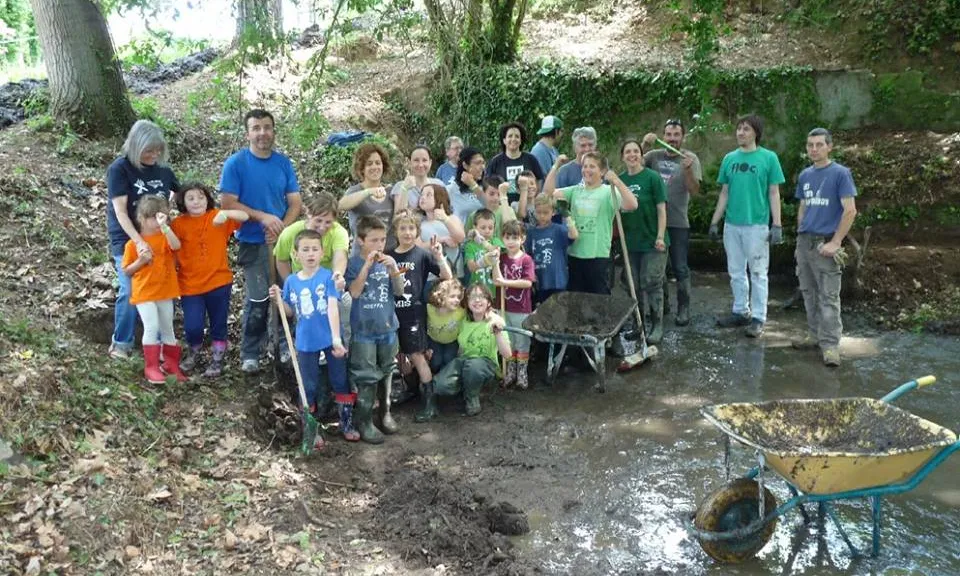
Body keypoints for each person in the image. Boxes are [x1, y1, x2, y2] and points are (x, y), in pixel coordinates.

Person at [219, 109, 302, 373]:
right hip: (253, 242)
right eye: (256, 128)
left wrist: (281, 228)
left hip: (282, 243)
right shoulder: (236, 164)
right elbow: (227, 203)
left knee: (285, 296)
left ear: (273, 131)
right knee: (258, 299)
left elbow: (295, 203)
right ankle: (250, 352)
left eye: (267, 127)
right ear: (248, 133)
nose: (262, 133)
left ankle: (283, 347)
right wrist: (263, 218)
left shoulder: (282, 163)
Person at [269, 229, 352, 448]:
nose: (310, 254)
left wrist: (336, 339)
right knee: (308, 385)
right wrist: (278, 300)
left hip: (330, 337)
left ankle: (347, 423)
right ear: (296, 254)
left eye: (315, 249)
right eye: (305, 249)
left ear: (322, 252)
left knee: (340, 380)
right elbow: (289, 313)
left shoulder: (327, 277)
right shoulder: (292, 282)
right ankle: (311, 430)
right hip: (305, 341)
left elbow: (333, 307)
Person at [106, 120, 180, 359]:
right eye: (149, 150)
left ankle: (158, 346)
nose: (154, 155)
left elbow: (179, 194)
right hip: (127, 238)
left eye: (158, 150)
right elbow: (120, 211)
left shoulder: (164, 172)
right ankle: (122, 343)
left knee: (160, 292)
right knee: (130, 290)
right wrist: (138, 241)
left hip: (159, 241)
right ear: (136, 147)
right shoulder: (120, 169)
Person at [708, 114, 785, 338]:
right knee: (735, 272)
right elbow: (725, 193)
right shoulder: (729, 159)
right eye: (739, 129)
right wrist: (715, 221)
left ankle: (759, 317)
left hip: (757, 226)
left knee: (759, 273)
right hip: (732, 225)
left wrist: (777, 224)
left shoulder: (768, 158)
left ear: (756, 133)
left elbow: (773, 192)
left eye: (746, 129)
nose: (741, 133)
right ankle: (740, 311)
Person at [791, 128, 858, 367]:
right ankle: (814, 335)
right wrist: (800, 232)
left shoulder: (841, 174)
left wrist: (836, 241)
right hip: (805, 241)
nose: (814, 149)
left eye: (819, 144)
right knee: (808, 292)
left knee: (828, 296)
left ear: (830, 147)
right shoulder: (805, 175)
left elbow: (850, 210)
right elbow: (803, 206)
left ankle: (830, 346)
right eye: (810, 145)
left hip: (826, 242)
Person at [170, 183, 248, 377]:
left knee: (218, 322)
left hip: (219, 281)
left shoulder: (216, 216)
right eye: (191, 198)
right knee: (193, 325)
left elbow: (245, 217)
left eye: (201, 197)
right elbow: (171, 248)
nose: (196, 202)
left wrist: (227, 214)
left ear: (207, 199)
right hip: (189, 285)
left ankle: (217, 358)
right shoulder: (178, 224)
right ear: (183, 202)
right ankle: (193, 352)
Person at [345, 216, 406, 444]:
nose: (379, 245)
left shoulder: (388, 262)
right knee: (366, 376)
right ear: (360, 241)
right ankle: (365, 420)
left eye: (382, 240)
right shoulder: (353, 264)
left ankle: (385, 413)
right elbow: (355, 292)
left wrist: (394, 270)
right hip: (363, 331)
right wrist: (367, 266)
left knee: (387, 370)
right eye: (373, 240)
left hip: (388, 327)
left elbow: (399, 292)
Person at [273, 192, 351, 365]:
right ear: (308, 214)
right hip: (302, 286)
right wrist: (291, 283)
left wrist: (337, 275)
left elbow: (340, 256)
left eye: (328, 222)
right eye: (318, 221)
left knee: (343, 304)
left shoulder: (339, 233)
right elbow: (281, 259)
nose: (323, 226)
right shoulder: (291, 233)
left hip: (327, 286)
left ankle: (342, 349)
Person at [545, 152, 638, 294]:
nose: (586, 170)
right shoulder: (575, 191)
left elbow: (632, 205)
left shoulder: (608, 191)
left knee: (599, 302)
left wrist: (617, 181)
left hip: (598, 257)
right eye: (585, 166)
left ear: (602, 171)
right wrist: (555, 167)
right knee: (575, 301)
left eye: (592, 166)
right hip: (575, 255)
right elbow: (548, 193)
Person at [415, 283, 511, 421]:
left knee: (473, 367)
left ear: (489, 301)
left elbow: (507, 354)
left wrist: (498, 333)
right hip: (464, 361)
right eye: (472, 297)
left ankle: (472, 398)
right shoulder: (463, 320)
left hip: (484, 363)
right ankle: (465, 391)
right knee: (439, 385)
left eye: (481, 297)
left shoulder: (496, 321)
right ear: (466, 302)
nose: (477, 300)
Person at [389, 213, 453, 413]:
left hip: (413, 313)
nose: (407, 233)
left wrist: (439, 256)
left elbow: (447, 276)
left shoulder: (422, 254)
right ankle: (405, 391)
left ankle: (429, 403)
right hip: (390, 314)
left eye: (411, 229)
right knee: (396, 357)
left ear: (417, 231)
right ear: (395, 232)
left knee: (417, 356)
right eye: (402, 228)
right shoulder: (388, 255)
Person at [642, 119, 702, 326]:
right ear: (663, 136)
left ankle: (683, 308)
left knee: (680, 267)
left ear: (682, 137)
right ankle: (663, 305)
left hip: (678, 222)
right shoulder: (652, 156)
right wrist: (645, 146)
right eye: (669, 135)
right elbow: (634, 169)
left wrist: (686, 170)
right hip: (655, 222)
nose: (672, 139)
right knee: (658, 267)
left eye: (676, 135)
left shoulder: (690, 158)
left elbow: (695, 191)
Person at [121, 196, 185, 384]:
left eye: (162, 217)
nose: (157, 222)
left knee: (168, 327)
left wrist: (165, 228)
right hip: (144, 293)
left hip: (165, 290)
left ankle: (171, 365)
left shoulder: (165, 237)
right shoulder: (134, 244)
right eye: (154, 218)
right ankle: (151, 366)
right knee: (152, 326)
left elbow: (176, 246)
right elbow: (127, 271)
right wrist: (141, 261)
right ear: (142, 218)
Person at [619, 139, 669, 345]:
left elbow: (661, 209)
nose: (632, 155)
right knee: (633, 285)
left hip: (653, 241)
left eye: (636, 151)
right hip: (630, 243)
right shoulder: (619, 181)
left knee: (652, 281)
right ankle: (637, 325)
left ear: (641, 155)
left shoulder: (653, 178)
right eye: (628, 152)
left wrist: (660, 235)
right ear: (622, 156)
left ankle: (657, 325)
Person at [493, 220, 535, 389]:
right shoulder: (502, 258)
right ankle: (510, 371)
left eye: (514, 237)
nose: (510, 241)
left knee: (522, 340)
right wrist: (495, 262)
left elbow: (527, 283)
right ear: (502, 238)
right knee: (507, 340)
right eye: (507, 237)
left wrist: (506, 282)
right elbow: (496, 281)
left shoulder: (526, 260)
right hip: (503, 307)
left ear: (522, 239)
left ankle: (522, 373)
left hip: (521, 308)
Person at [339, 142, 399, 255]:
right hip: (363, 256)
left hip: (390, 254)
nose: (374, 167)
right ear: (362, 168)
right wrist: (368, 192)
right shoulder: (355, 191)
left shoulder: (391, 191)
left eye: (378, 163)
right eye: (369, 164)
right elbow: (341, 205)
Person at [525, 194, 577, 306]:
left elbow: (573, 235)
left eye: (545, 213)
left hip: (557, 280)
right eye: (539, 212)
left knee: (559, 312)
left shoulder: (558, 229)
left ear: (553, 212)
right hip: (540, 281)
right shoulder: (531, 233)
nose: (542, 216)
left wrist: (566, 215)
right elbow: (528, 255)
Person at [485, 122, 545, 202]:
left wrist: (535, 198)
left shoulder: (531, 159)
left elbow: (539, 179)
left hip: (528, 206)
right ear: (504, 140)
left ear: (521, 141)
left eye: (517, 136)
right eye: (510, 136)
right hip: (503, 206)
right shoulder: (495, 162)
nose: (513, 139)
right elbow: (487, 184)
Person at [416, 182, 466, 276]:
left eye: (428, 195)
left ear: (439, 198)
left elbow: (461, 237)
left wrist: (445, 219)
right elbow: (418, 247)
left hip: (455, 273)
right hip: (430, 276)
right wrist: (442, 239)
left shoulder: (451, 218)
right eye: (421, 194)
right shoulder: (419, 224)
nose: (423, 197)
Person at [425, 279, 465, 373]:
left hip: (452, 341)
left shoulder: (461, 312)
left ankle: (446, 381)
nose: (456, 300)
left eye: (459, 297)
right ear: (441, 296)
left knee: (449, 360)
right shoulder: (429, 309)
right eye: (452, 296)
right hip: (433, 339)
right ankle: (434, 376)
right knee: (436, 361)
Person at [392, 145, 446, 211]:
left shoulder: (439, 184)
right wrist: (405, 189)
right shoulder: (400, 186)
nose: (420, 165)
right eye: (416, 160)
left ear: (430, 163)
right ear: (409, 163)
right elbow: (398, 216)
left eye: (424, 160)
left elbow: (449, 212)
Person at [464, 209, 504, 296]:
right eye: (483, 228)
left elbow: (496, 252)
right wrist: (482, 262)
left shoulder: (496, 241)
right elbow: (471, 267)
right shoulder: (470, 245)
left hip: (493, 290)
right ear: (475, 228)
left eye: (490, 228)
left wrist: (483, 243)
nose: (487, 231)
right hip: (476, 290)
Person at [447, 147, 487, 226]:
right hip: (463, 236)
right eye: (478, 163)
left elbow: (490, 206)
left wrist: (473, 185)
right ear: (465, 165)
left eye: (483, 163)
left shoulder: (485, 187)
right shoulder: (452, 189)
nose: (482, 167)